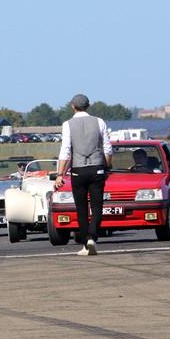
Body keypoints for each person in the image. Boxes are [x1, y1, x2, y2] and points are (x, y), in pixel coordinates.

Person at [56, 94, 113, 256]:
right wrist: (107, 165)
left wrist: (60, 174)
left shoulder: (67, 124)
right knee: (97, 206)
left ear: (73, 106)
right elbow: (107, 148)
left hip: (78, 170)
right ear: (88, 106)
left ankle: (84, 243)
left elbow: (65, 150)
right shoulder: (99, 121)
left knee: (81, 208)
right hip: (97, 168)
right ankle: (92, 237)